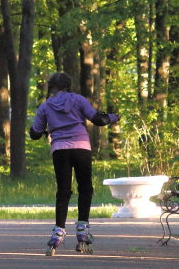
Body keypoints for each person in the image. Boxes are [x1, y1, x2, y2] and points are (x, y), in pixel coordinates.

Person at [29, 72, 119, 255]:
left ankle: (57, 234)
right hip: (81, 148)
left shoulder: (45, 106)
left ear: (51, 87)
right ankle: (82, 231)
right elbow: (98, 120)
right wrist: (114, 117)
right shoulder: (78, 100)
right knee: (85, 188)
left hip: (60, 150)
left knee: (63, 191)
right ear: (68, 86)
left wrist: (45, 129)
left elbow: (34, 134)